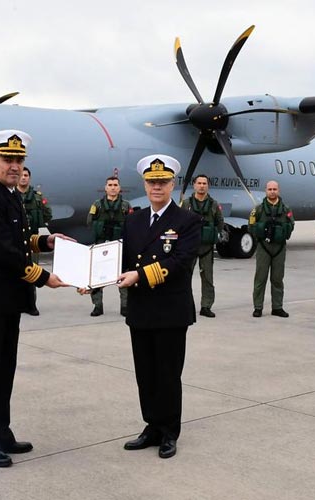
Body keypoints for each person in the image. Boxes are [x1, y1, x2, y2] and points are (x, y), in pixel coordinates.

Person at [0, 129, 69, 468]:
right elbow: (4, 252)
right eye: (7, 159)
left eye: (19, 160)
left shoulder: (9, 195)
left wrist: (45, 242)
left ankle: (0, 432)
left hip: (5, 301)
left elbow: (19, 240)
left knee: (2, 370)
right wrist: (44, 278)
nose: (14, 166)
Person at [116, 154, 200, 459]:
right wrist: (94, 279)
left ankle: (169, 431)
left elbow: (180, 262)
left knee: (168, 374)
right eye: (152, 181)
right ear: (144, 184)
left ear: (172, 184)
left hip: (170, 310)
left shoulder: (187, 220)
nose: (156, 187)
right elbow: (121, 259)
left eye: (162, 181)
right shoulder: (133, 220)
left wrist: (139, 275)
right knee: (146, 373)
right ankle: (151, 426)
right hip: (141, 309)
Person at [86, 176, 132, 317]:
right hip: (102, 244)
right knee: (97, 276)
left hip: (119, 245)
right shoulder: (97, 205)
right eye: (110, 185)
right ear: (105, 188)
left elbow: (131, 223)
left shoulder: (126, 205)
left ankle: (125, 306)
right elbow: (89, 221)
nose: (113, 187)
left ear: (119, 188)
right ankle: (97, 306)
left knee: (123, 275)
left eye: (115, 185)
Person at [180, 174, 224, 317]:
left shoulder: (214, 204)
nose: (202, 186)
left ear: (208, 186)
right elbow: (179, 222)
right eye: (199, 183)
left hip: (207, 248)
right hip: (190, 247)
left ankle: (206, 306)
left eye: (204, 183)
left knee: (208, 278)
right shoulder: (186, 204)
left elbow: (220, 222)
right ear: (194, 185)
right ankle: (185, 305)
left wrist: (212, 235)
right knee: (185, 277)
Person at [249, 180, 294, 318]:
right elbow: (251, 226)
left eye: (274, 189)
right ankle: (258, 307)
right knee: (260, 278)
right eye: (270, 189)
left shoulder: (286, 209)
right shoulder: (258, 209)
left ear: (278, 190)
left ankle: (277, 307)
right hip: (264, 247)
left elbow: (291, 225)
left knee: (277, 279)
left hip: (279, 247)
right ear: (266, 191)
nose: (272, 192)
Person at [17, 167, 52, 316]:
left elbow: (48, 214)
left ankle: (31, 304)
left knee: (32, 272)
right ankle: (17, 303)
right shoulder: (11, 196)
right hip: (16, 239)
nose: (23, 177)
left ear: (29, 178)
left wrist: (38, 220)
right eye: (21, 175)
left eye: (26, 175)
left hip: (33, 239)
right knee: (16, 273)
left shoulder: (37, 198)